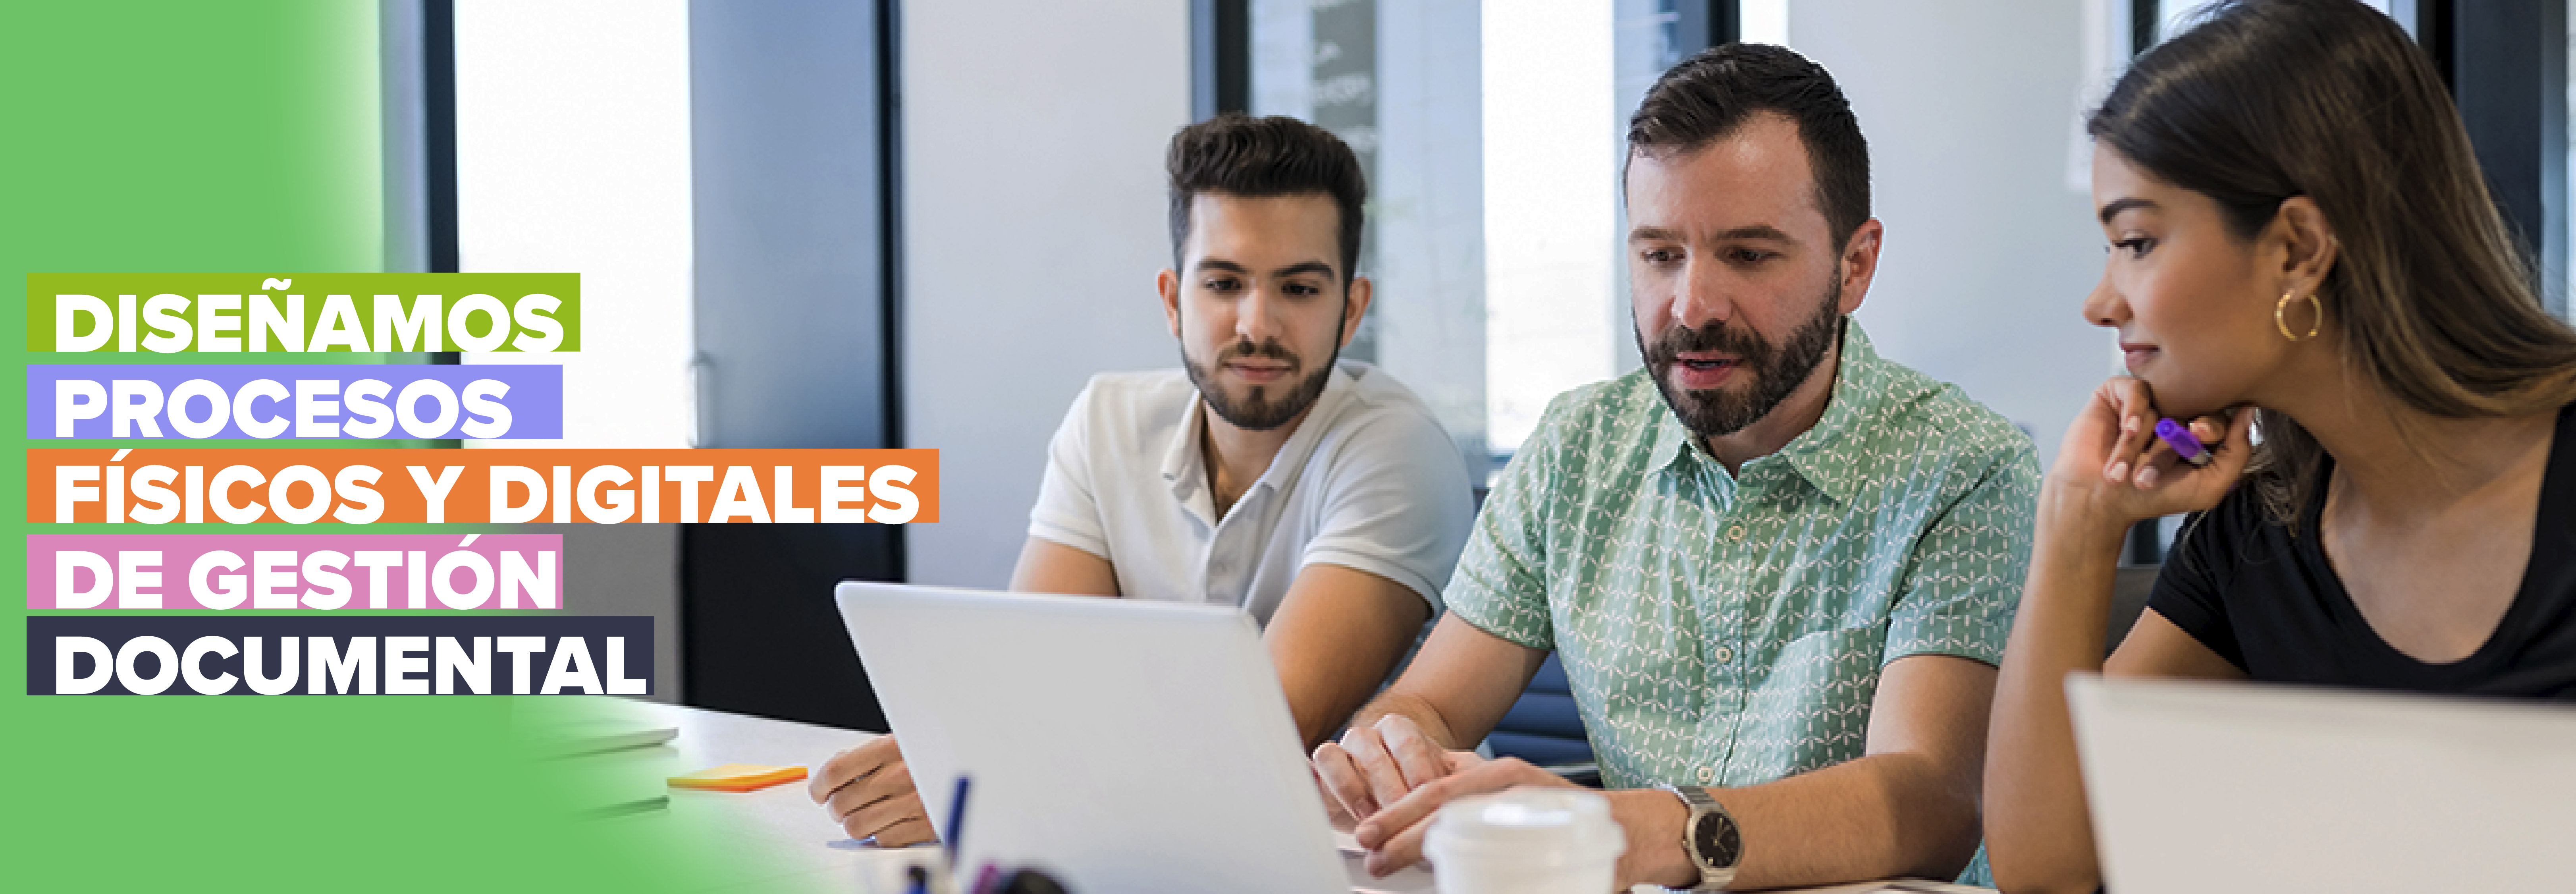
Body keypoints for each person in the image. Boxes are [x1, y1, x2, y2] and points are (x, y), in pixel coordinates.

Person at [1982, 2, 2576, 891]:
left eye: (2137, 241)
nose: (2100, 299)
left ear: (2296, 248)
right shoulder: (2260, 528)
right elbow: (2048, 866)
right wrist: (2077, 527)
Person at [1307, 44, 2035, 890]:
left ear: (1854, 265)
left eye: (1749, 255)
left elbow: (1928, 798)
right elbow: (1429, 704)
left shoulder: (1965, 467)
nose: (1691, 308)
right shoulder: (1575, 448)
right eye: (1659, 254)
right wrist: (1392, 745)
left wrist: (1644, 830)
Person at [811, 114, 1478, 846]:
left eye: (1298, 289)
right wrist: (970, 756)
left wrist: (993, 771)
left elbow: (1261, 730)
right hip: (1126, 842)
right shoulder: (1106, 420)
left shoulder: (1396, 448)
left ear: (1350, 310)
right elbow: (1032, 680)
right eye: (1224, 283)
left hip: (1347, 860)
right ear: (1171, 300)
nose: (1257, 324)